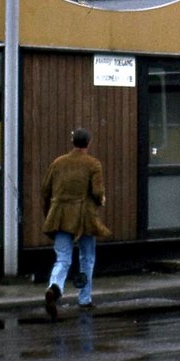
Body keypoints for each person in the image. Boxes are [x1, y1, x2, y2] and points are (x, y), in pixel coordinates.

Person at [41, 127, 111, 319]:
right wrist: (101, 200)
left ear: (73, 142)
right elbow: (97, 192)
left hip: (60, 216)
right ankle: (84, 299)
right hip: (84, 218)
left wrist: (49, 213)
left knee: (62, 258)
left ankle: (54, 287)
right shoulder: (93, 164)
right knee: (87, 257)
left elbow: (45, 190)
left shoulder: (58, 163)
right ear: (89, 143)